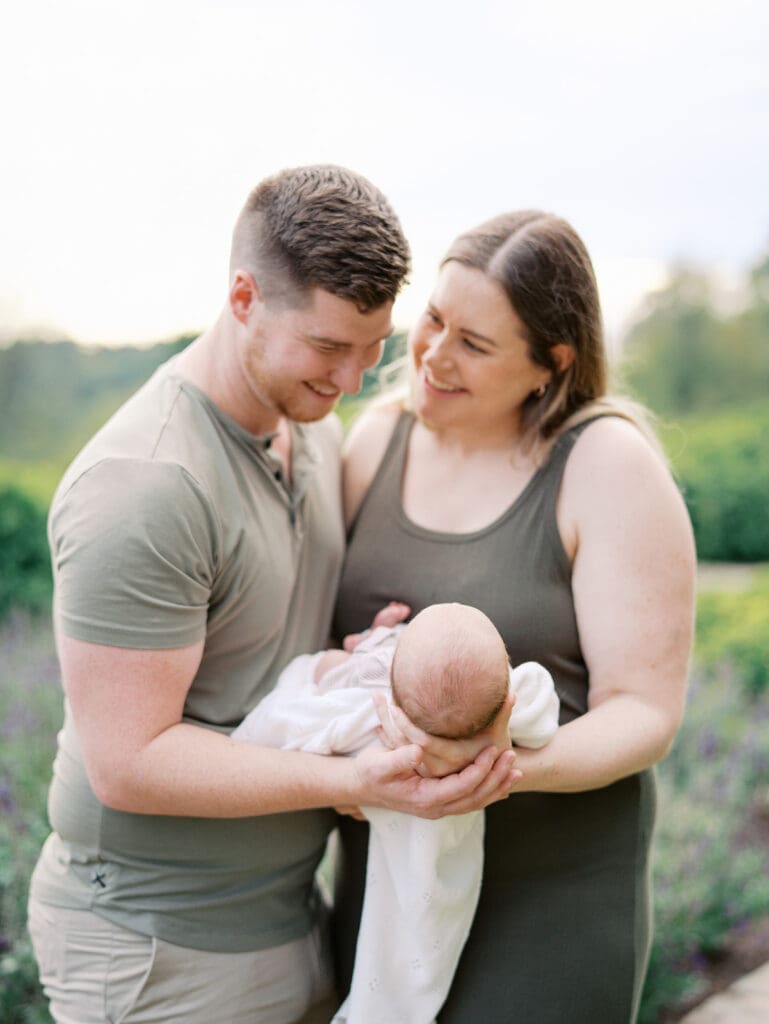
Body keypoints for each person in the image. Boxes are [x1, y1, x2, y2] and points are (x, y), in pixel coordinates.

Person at [27, 166, 520, 1024]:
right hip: (159, 950)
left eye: (372, 348)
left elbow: (261, 661)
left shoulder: (313, 432)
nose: (355, 379)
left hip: (292, 917)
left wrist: (357, 665)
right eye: (329, 347)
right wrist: (359, 775)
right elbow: (128, 761)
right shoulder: (144, 485)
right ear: (244, 297)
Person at [332, 210, 697, 1023]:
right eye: (433, 319)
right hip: (388, 890)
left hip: (548, 902)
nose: (431, 354)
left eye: (474, 343)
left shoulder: (606, 466)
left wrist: (497, 767)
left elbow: (643, 711)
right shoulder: (373, 443)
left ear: (548, 364)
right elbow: (323, 649)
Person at [232, 601, 560, 1024]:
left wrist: (374, 644)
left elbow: (318, 681)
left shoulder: (373, 682)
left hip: (361, 842)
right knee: (418, 925)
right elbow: (540, 714)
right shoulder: (511, 700)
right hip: (464, 850)